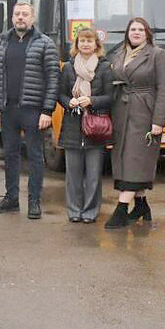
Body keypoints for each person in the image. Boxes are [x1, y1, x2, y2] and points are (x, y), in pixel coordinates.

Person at [0, 2, 60, 219]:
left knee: (35, 156)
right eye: (17, 14)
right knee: (10, 155)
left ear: (32, 18)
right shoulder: (1, 43)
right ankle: (11, 199)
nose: (21, 18)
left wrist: (47, 110)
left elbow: (53, 78)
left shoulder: (45, 43)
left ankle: (34, 201)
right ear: (11, 18)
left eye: (25, 14)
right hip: (8, 109)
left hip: (34, 111)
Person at [104, 17, 165, 229]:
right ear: (127, 33)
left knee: (136, 159)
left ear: (147, 33)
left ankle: (122, 209)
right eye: (132, 29)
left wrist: (158, 121)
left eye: (140, 30)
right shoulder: (119, 54)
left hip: (145, 112)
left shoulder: (158, 55)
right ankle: (142, 205)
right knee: (125, 158)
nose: (136, 33)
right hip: (121, 111)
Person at [57, 27, 112, 224]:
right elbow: (61, 93)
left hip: (95, 128)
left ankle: (90, 212)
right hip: (72, 126)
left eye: (90, 41)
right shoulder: (69, 67)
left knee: (94, 175)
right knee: (72, 175)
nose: (86, 44)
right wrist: (67, 102)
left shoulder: (104, 68)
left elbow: (110, 97)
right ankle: (74, 210)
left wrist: (91, 101)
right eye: (82, 41)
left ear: (96, 45)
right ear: (77, 44)